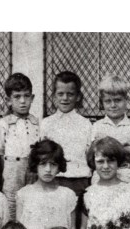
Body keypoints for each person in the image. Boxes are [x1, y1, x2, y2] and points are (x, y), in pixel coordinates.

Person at [15, 140, 76, 229]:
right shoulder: (24, 194)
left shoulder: (67, 195)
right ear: (35, 165)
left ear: (59, 166)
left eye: (53, 164)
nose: (48, 169)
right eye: (43, 164)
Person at [39, 71, 93, 211]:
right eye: (60, 94)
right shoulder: (46, 124)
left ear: (78, 97)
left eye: (70, 94)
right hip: (54, 180)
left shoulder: (86, 124)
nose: (65, 98)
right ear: (53, 96)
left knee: (77, 224)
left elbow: (89, 155)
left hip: (79, 181)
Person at [0, 72, 39, 219]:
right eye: (17, 97)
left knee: (31, 203)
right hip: (12, 170)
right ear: (8, 100)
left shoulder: (37, 123)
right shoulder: (3, 124)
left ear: (32, 98)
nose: (22, 101)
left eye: (26, 96)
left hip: (32, 169)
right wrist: (7, 174)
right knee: (12, 205)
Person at [91, 75, 130, 183]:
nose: (113, 105)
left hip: (127, 179)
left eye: (117, 100)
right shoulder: (97, 126)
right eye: (108, 101)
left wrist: (107, 146)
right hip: (101, 179)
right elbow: (93, 154)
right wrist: (125, 147)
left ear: (126, 100)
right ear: (102, 102)